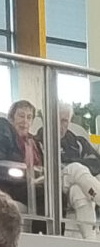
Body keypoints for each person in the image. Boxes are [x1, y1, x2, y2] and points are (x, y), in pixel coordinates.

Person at [36, 102, 100, 238]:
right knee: (75, 168)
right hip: (52, 184)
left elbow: (96, 163)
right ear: (48, 119)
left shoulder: (78, 142)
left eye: (65, 120)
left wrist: (68, 164)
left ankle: (91, 241)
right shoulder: (38, 140)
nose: (61, 124)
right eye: (57, 119)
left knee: (78, 191)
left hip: (74, 185)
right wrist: (70, 166)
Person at [0, 100, 44, 212]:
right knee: (46, 195)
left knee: (59, 195)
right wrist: (26, 176)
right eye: (21, 116)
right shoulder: (1, 128)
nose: (25, 121)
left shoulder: (33, 142)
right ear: (12, 118)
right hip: (3, 184)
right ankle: (43, 230)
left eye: (29, 117)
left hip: (25, 184)